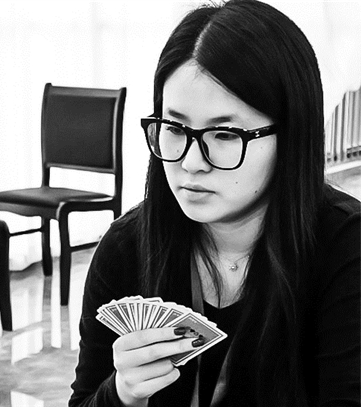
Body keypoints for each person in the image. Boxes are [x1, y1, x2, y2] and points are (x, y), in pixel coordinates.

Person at [69, 0, 360, 406]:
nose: (191, 162)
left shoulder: (346, 249)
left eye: (224, 135)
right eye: (174, 128)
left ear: (291, 135)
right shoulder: (127, 246)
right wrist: (121, 393)